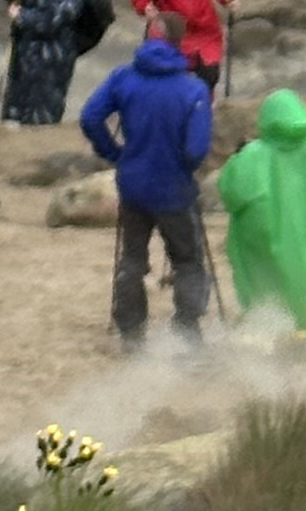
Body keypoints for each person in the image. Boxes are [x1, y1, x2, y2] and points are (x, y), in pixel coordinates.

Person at [79, 26, 216, 345]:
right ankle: (187, 328)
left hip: (133, 185)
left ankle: (130, 331)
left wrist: (114, 153)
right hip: (175, 188)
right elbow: (196, 149)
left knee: (132, 258)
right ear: (180, 43)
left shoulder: (122, 78)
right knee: (187, 258)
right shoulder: (193, 89)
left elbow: (90, 118)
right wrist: (185, 167)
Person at [218, 87, 306, 331]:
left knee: (265, 277)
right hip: (305, 226)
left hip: (263, 228)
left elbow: (231, 191)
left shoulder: (254, 154)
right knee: (304, 271)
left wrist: (239, 156)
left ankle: (270, 324)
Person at [1, 0, 96, 126]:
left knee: (40, 118)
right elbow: (36, 2)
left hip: (51, 58)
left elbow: (58, 18)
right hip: (29, 55)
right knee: (17, 112)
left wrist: (22, 17)